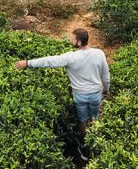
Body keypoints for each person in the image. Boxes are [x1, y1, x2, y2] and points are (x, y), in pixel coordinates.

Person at [15, 28, 109, 156]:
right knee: (95, 117)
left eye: (73, 38)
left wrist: (27, 63)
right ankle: (98, 145)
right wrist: (107, 90)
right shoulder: (99, 53)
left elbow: (49, 61)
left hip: (80, 95)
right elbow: (106, 76)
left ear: (79, 42)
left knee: (83, 120)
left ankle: (85, 145)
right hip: (96, 94)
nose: (71, 40)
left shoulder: (71, 57)